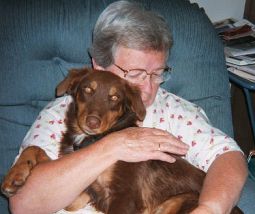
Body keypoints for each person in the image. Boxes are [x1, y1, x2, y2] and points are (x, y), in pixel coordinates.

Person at [9, 1, 248, 214]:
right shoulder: (59, 115)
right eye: (134, 74)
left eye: (157, 74)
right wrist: (113, 146)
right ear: (100, 65)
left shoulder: (178, 111)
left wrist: (210, 208)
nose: (147, 89)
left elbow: (228, 156)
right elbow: (23, 205)